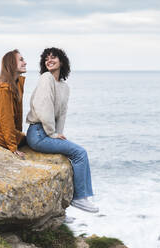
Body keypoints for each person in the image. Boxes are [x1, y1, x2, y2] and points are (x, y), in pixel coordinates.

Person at [26, 47, 99, 213]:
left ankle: (84, 196)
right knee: (80, 153)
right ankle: (80, 198)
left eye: (53, 57)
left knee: (78, 152)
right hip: (38, 132)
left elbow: (62, 114)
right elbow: (43, 107)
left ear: (62, 62)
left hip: (47, 132)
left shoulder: (65, 87)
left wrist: (58, 133)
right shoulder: (46, 78)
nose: (49, 60)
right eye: (46, 59)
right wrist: (52, 133)